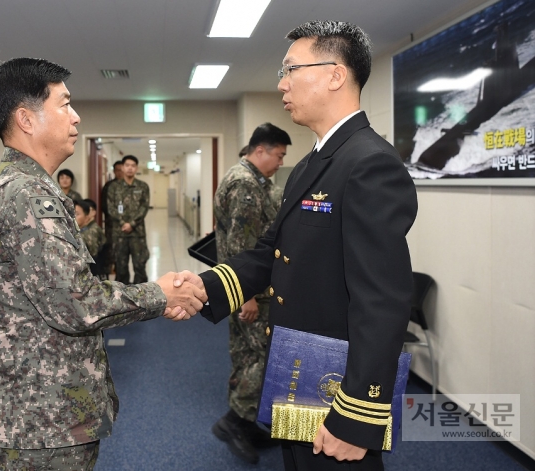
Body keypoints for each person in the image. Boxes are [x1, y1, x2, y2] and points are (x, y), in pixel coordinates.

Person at [178, 21, 418, 470]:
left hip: (336, 388)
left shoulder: (370, 164)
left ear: (334, 74)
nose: (281, 84)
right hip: (298, 372)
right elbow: (273, 250)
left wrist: (358, 418)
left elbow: (382, 301)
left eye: (290, 70)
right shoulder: (312, 164)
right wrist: (203, 288)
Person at [0, 57, 205, 470]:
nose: (76, 117)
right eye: (64, 104)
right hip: (37, 427)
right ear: (26, 118)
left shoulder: (19, 186)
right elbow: (76, 302)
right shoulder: (25, 195)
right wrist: (162, 292)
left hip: (38, 418)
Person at [211, 123, 291, 465]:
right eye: (279, 155)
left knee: (247, 354)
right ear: (260, 150)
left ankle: (247, 422)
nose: (280, 162)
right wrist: (248, 296)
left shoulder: (251, 179)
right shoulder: (245, 184)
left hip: (246, 287)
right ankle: (234, 423)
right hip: (250, 290)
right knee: (259, 356)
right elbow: (241, 244)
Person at [106, 155, 150, 284]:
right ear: (123, 168)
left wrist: (132, 224)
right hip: (120, 234)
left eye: (133, 165)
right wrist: (122, 223)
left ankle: (142, 298)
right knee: (121, 268)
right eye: (127, 165)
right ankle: (122, 299)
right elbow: (111, 208)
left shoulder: (143, 186)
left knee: (140, 266)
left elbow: (144, 207)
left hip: (138, 234)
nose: (130, 168)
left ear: (136, 168)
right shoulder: (113, 187)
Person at [75, 199, 107, 279]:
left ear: (86, 217)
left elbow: (92, 257)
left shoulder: (91, 231)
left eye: (77, 214)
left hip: (93, 276)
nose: (73, 217)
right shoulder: (81, 230)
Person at [101, 160, 123, 275]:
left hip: (127, 227)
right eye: (117, 170)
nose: (120, 173)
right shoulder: (109, 186)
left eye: (121, 170)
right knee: (112, 250)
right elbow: (105, 206)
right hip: (112, 226)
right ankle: (110, 273)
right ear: (114, 171)